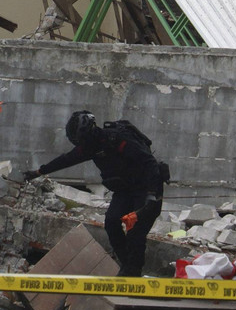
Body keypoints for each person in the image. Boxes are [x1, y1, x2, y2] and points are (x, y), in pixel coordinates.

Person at [22, 112, 167, 276]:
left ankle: (133, 271)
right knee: (112, 223)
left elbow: (149, 164)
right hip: (125, 190)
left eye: (83, 142)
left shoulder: (118, 139)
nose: (82, 146)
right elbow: (66, 159)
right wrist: (39, 171)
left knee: (135, 231)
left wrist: (152, 195)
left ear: (90, 133)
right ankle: (128, 267)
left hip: (146, 187)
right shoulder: (90, 147)